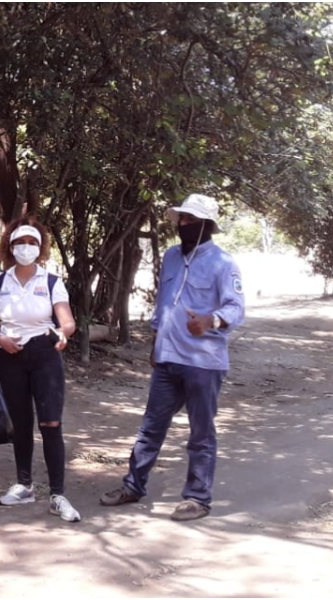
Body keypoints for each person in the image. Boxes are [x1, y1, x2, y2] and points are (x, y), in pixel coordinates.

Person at [100, 194, 245, 522]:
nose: (183, 224)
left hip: (204, 362)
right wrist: (156, 342)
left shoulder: (224, 263)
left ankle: (197, 498)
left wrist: (211, 320)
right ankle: (133, 486)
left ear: (207, 225)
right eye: (181, 218)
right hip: (168, 358)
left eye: (191, 220)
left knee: (200, 433)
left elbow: (236, 308)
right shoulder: (171, 256)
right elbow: (165, 304)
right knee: (151, 427)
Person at [0, 218, 80, 522]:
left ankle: (58, 495)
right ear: (10, 247)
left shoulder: (50, 281)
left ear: (40, 247)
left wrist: (63, 334)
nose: (26, 248)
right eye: (20, 243)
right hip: (11, 354)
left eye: (32, 243)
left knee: (50, 424)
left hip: (44, 354)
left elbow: (68, 321)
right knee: (21, 423)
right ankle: (24, 485)